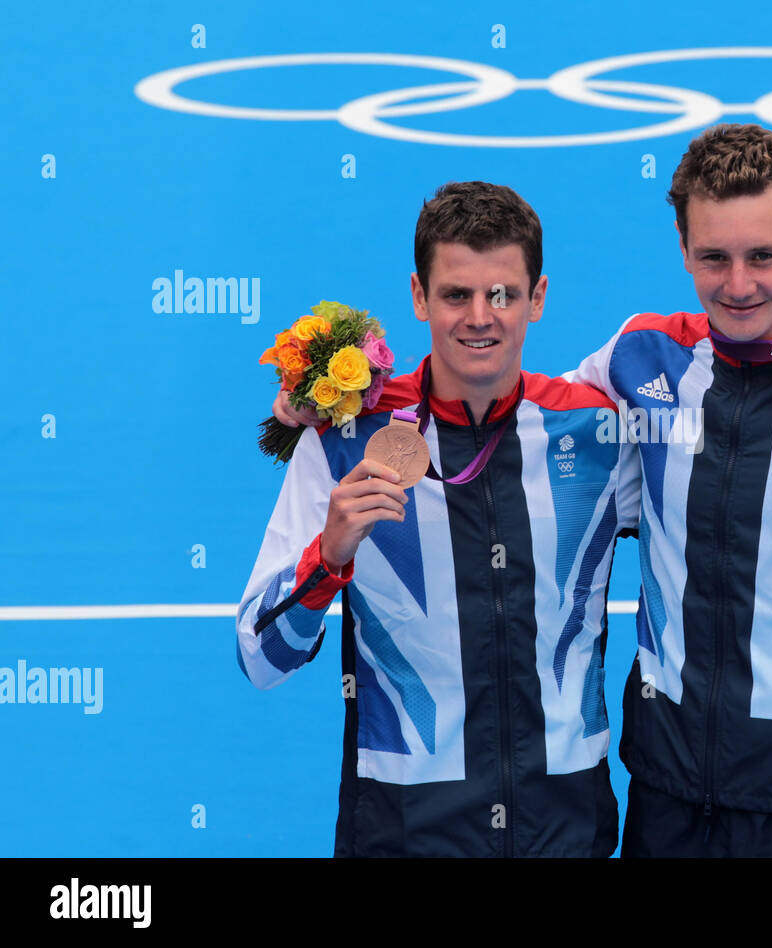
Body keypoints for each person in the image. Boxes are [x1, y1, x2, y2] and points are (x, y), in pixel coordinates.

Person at [275, 123, 772, 857]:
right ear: (682, 247)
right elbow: (508, 421)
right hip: (668, 804)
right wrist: (344, 403)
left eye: (763, 257)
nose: (738, 284)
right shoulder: (643, 361)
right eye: (714, 257)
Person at [237, 181, 639, 857]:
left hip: (566, 827)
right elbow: (260, 657)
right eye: (456, 294)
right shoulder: (342, 443)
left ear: (537, 298)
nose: (480, 317)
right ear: (420, 297)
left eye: (503, 294)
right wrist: (328, 559)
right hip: (405, 830)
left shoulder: (594, 435)